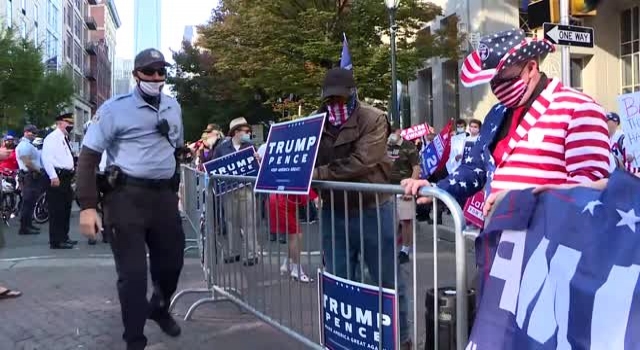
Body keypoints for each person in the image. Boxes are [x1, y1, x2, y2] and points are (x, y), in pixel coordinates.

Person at [402, 28, 610, 299]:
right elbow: (473, 168)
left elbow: (593, 189)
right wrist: (436, 188)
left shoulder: (578, 108)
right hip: (497, 247)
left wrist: (521, 200)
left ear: (531, 67)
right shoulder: (497, 112)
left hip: (550, 253)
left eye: (504, 78)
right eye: (492, 81)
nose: (497, 88)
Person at [76, 48, 185, 350]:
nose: (155, 77)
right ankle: (135, 340)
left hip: (163, 198)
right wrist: (87, 206)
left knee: (172, 266)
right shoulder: (113, 109)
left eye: (161, 71)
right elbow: (88, 158)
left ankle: (159, 309)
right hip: (126, 200)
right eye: (149, 71)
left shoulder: (174, 107)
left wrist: (176, 188)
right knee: (133, 276)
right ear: (137, 74)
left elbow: (176, 149)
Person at [312, 67, 410, 349]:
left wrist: (316, 175)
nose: (335, 106)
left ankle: (400, 338)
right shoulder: (317, 123)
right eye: (330, 101)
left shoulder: (374, 118)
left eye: (340, 100)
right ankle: (347, 340)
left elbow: (362, 161)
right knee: (339, 280)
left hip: (372, 210)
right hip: (334, 211)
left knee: (386, 280)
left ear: (353, 94)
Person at [211, 117, 260, 266]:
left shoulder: (251, 147)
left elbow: (256, 168)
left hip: (246, 188)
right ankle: (233, 252)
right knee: (231, 222)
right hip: (228, 190)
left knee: (249, 222)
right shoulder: (222, 148)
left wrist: (257, 159)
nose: (248, 133)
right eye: (245, 131)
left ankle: (252, 254)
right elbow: (214, 167)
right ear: (236, 132)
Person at [42, 113, 78, 249]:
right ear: (60, 123)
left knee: (65, 208)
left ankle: (64, 236)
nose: (70, 126)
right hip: (57, 176)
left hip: (66, 177)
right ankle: (56, 240)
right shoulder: (52, 138)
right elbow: (46, 158)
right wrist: (53, 176)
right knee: (57, 210)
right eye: (68, 123)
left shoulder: (64, 138)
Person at [387, 127, 420, 264]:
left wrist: (410, 188)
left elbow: (416, 168)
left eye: (393, 132)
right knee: (389, 221)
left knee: (406, 221)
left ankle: (405, 251)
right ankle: (389, 249)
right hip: (387, 189)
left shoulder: (409, 146)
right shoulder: (386, 146)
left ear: (399, 132)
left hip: (404, 188)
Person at [15, 125, 46, 236]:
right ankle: (24, 228)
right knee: (27, 202)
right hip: (29, 175)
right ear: (26, 132)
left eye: (35, 133)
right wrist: (38, 170)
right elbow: (26, 162)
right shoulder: (24, 145)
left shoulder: (28, 145)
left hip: (31, 175)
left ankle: (28, 225)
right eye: (32, 133)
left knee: (31, 202)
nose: (34, 135)